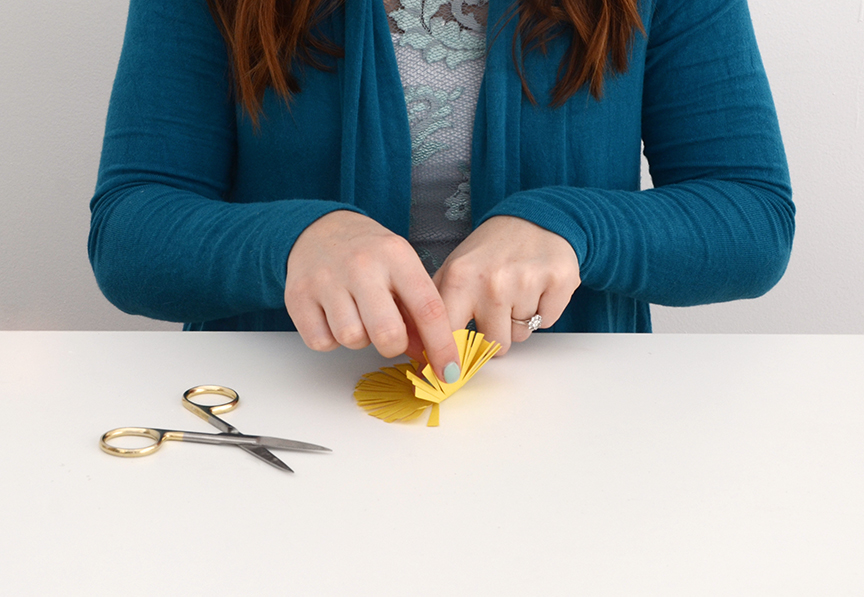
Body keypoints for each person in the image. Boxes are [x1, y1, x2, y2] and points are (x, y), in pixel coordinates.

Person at [89, 0, 794, 383]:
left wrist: (572, 227)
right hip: (281, 409)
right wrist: (295, 242)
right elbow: (130, 228)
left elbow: (751, 216)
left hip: (572, 432)